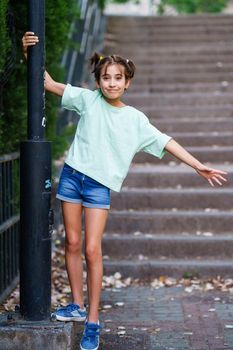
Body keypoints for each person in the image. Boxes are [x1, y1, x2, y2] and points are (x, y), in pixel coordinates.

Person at [22, 31, 228, 350]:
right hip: (72, 178)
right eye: (106, 77)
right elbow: (47, 83)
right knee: (72, 243)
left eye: (118, 78)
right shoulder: (88, 100)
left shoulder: (135, 120)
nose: (112, 83)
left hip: (98, 188)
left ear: (127, 82)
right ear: (99, 81)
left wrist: (197, 164)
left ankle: (92, 319)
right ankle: (76, 306)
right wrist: (27, 53)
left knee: (92, 249)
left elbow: (166, 142)